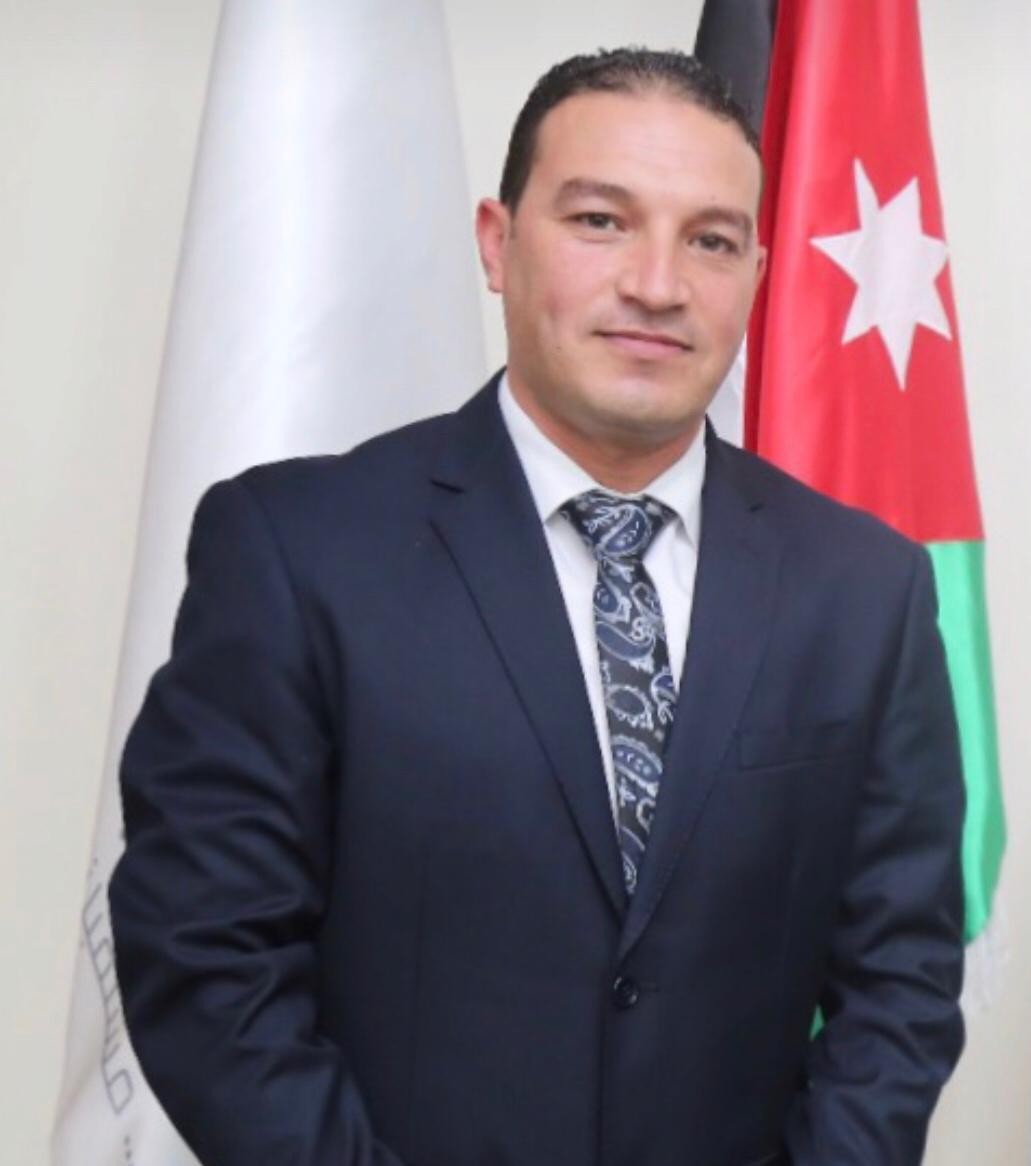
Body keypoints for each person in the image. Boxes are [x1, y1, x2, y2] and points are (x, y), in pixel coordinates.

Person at [110, 47, 966, 1166]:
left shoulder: (865, 590)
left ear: (757, 275)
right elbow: (207, 959)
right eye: (601, 220)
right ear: (496, 241)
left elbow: (899, 984)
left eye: (709, 240)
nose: (657, 283)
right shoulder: (297, 551)